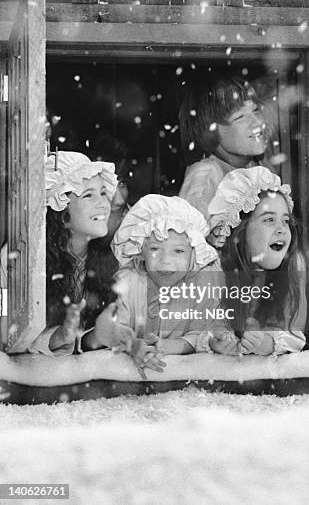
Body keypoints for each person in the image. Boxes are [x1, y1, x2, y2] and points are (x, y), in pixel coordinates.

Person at [33, 151, 163, 376]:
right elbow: (11, 338)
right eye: (88, 195)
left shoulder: (108, 261)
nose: (104, 203)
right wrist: (59, 336)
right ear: (62, 213)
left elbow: (91, 339)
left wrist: (124, 340)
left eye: (104, 193)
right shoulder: (28, 263)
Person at [207, 166, 307, 356]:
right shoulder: (215, 270)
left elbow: (294, 333)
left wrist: (267, 343)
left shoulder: (294, 264)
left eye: (286, 221)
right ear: (240, 231)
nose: (281, 229)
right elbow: (200, 330)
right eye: (269, 219)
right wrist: (216, 342)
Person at [111, 195, 226, 354]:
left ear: (193, 254)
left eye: (178, 251)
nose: (165, 261)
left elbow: (201, 332)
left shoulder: (201, 284)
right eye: (155, 249)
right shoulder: (129, 281)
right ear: (141, 251)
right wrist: (131, 343)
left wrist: (175, 345)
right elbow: (115, 327)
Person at [179, 76, 272, 229]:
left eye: (256, 110)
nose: (257, 122)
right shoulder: (205, 175)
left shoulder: (256, 164)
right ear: (210, 130)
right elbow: (189, 239)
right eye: (240, 117)